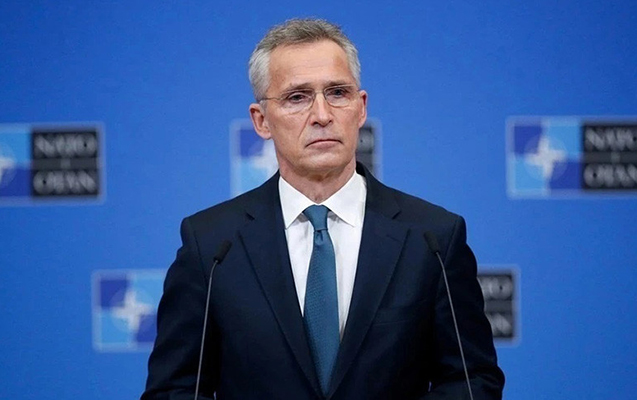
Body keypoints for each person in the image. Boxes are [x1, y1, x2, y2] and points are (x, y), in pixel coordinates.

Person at [142, 18, 504, 400]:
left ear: (360, 108)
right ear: (261, 121)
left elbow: (472, 383)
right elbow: (175, 390)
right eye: (297, 97)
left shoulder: (433, 238)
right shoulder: (212, 245)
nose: (322, 115)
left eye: (337, 93)